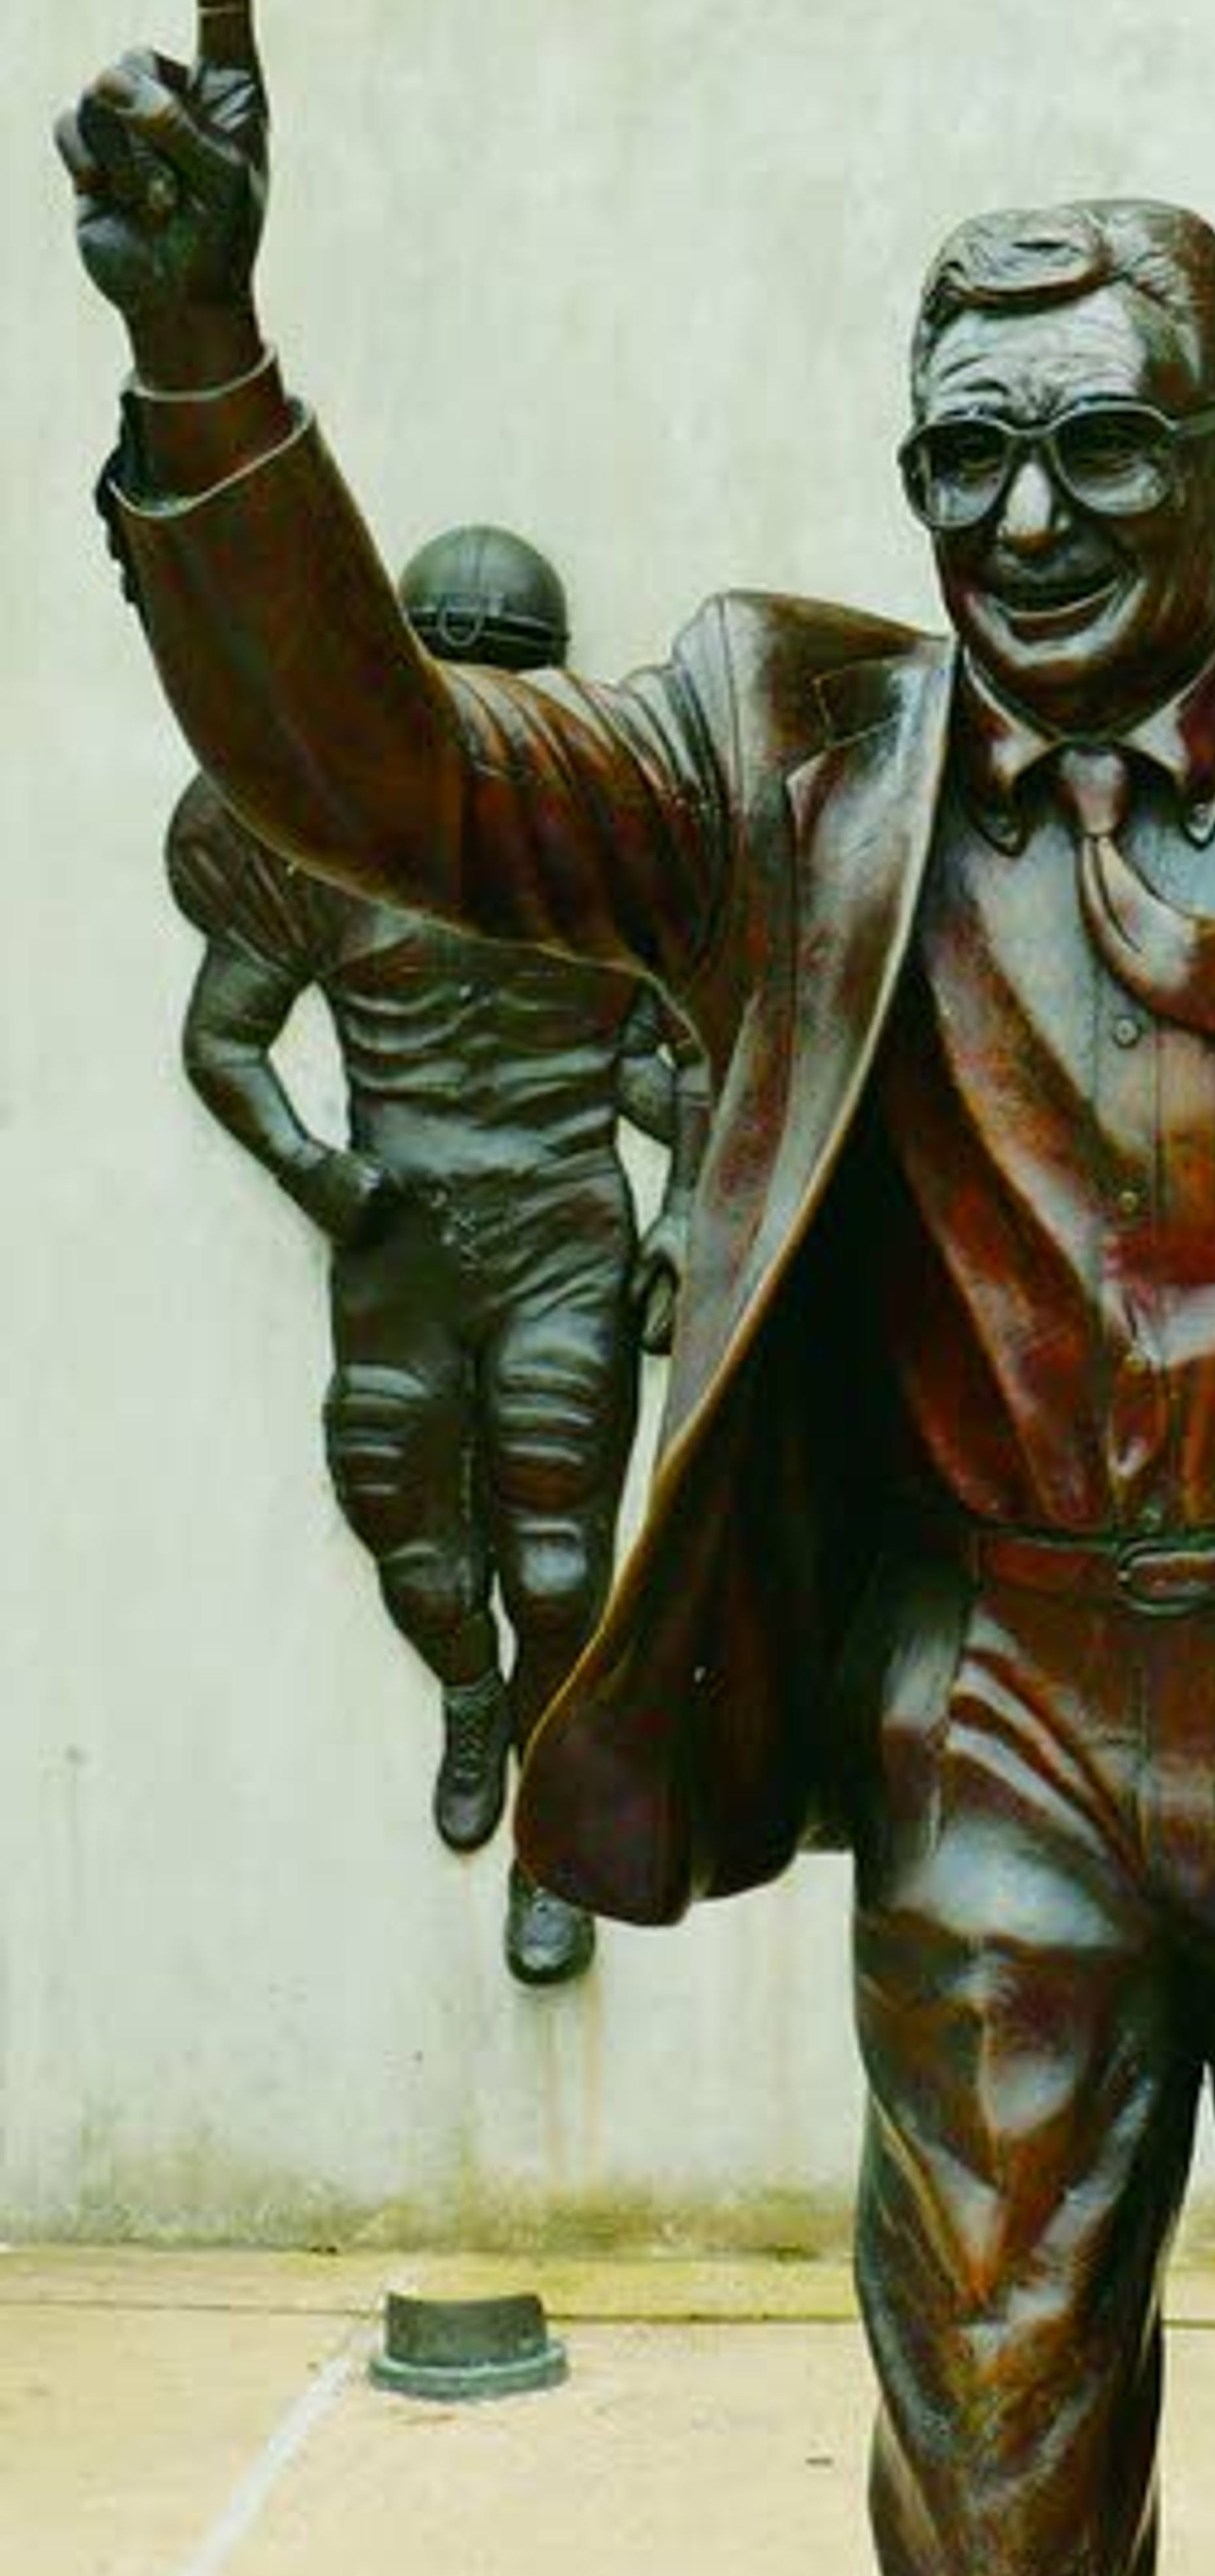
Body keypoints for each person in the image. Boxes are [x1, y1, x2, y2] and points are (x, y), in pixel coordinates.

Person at [60, 0, 1215, 2576]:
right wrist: (203, 361)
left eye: (1104, 454)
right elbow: (375, 767)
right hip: (991, 1705)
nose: (1025, 517)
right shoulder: (780, 761)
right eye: (963, 453)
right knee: (985, 2542)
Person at [164, 524, 709, 1992]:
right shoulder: (326, 842)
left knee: (558, 1560)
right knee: (402, 1513)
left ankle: (550, 1843)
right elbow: (222, 1038)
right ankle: (469, 1686)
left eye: (503, 673)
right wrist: (320, 1172)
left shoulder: (600, 861)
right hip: (398, 1235)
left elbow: (691, 1059)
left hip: (559, 1232)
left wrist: (678, 1218)